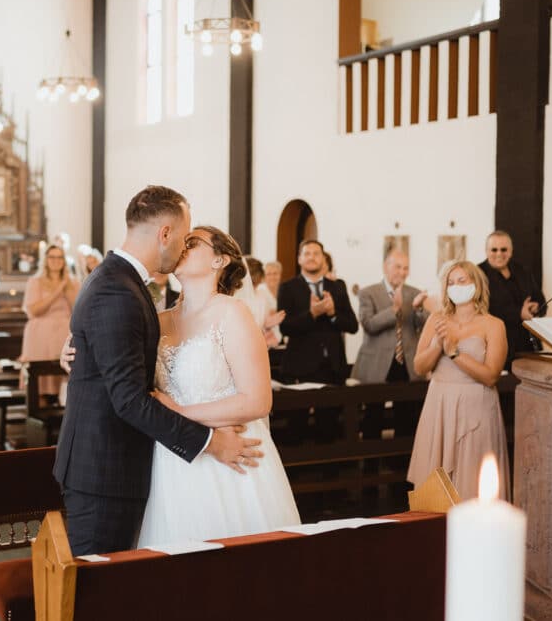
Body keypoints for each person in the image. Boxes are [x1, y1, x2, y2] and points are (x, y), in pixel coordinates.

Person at [53, 185, 262, 556]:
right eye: (185, 236)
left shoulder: (124, 285)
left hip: (152, 461)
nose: (184, 246)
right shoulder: (119, 290)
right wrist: (212, 442)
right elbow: (130, 399)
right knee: (94, 590)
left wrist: (81, 353)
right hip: (109, 468)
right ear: (165, 233)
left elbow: (123, 363)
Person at [139, 225, 300, 544]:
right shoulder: (158, 320)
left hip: (231, 460)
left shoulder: (232, 314)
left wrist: (179, 413)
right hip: (171, 459)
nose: (183, 246)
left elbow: (257, 402)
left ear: (220, 261)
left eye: (193, 242)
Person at [408, 261, 510, 501]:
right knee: (434, 485)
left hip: (476, 406)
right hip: (439, 403)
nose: (456, 287)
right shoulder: (436, 319)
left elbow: (491, 375)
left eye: (462, 281)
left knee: (472, 479)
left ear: (477, 284)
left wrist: (454, 351)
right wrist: (437, 346)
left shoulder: (493, 325)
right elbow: (420, 367)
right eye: (451, 283)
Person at [278, 240, 359, 385]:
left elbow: (353, 326)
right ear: (299, 259)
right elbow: (285, 327)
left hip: (334, 367)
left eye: (316, 254)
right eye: (307, 253)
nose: (311, 257)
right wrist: (312, 314)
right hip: (301, 367)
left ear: (323, 258)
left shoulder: (337, 287)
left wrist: (333, 313)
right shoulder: (288, 288)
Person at [352, 250, 429, 384]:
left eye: (406, 268)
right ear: (385, 267)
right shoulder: (367, 293)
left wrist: (419, 309)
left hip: (408, 364)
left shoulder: (415, 293)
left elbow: (423, 326)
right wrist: (394, 309)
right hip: (376, 364)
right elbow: (369, 325)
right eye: (398, 267)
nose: (402, 272)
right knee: (374, 405)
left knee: (409, 405)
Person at [478, 230, 546, 366]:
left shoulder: (523, 271)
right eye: (494, 250)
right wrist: (518, 313)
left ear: (510, 251)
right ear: (486, 251)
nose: (499, 254)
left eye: (504, 250)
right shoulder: (478, 274)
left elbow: (541, 300)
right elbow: (480, 309)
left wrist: (536, 307)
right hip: (495, 344)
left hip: (527, 344)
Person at [20, 244, 80, 397]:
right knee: (41, 383)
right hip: (41, 336)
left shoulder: (73, 282)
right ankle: (38, 416)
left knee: (66, 382)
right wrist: (58, 290)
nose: (56, 260)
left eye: (60, 257)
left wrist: (66, 288)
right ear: (45, 260)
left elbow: (78, 310)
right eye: (52, 257)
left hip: (64, 334)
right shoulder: (35, 281)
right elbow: (33, 311)